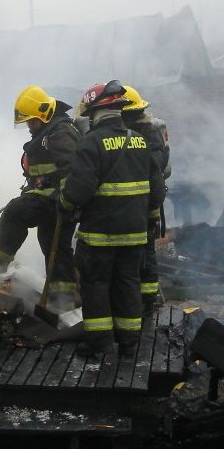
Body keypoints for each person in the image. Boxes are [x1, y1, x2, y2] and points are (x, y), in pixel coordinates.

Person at [58, 80, 165, 357]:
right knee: (128, 284)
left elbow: (78, 191)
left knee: (96, 287)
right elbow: (157, 190)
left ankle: (100, 345)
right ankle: (129, 342)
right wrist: (150, 219)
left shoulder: (91, 143)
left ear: (95, 112)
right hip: (135, 235)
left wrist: (64, 202)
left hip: (99, 237)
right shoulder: (140, 140)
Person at [0, 85, 82, 312]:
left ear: (45, 114)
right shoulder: (49, 132)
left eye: (32, 121)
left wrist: (65, 201)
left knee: (16, 212)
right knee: (54, 244)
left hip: (59, 200)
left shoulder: (60, 132)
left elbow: (71, 171)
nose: (30, 127)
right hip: (54, 198)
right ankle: (62, 299)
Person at [121, 86, 171, 313]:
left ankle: (147, 300)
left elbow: (153, 167)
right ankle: (144, 297)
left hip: (145, 202)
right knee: (143, 250)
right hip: (142, 202)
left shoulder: (147, 135)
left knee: (145, 251)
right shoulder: (143, 132)